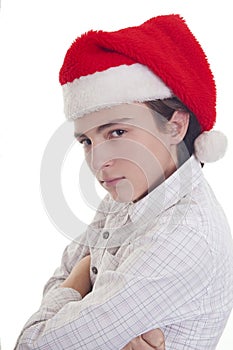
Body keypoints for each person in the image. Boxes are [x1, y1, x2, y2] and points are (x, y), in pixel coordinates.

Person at [15, 14, 233, 349]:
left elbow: (34, 344)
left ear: (175, 127)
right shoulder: (129, 194)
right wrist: (79, 281)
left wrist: (79, 280)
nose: (98, 162)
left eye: (117, 132)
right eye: (86, 141)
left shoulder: (184, 236)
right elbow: (64, 273)